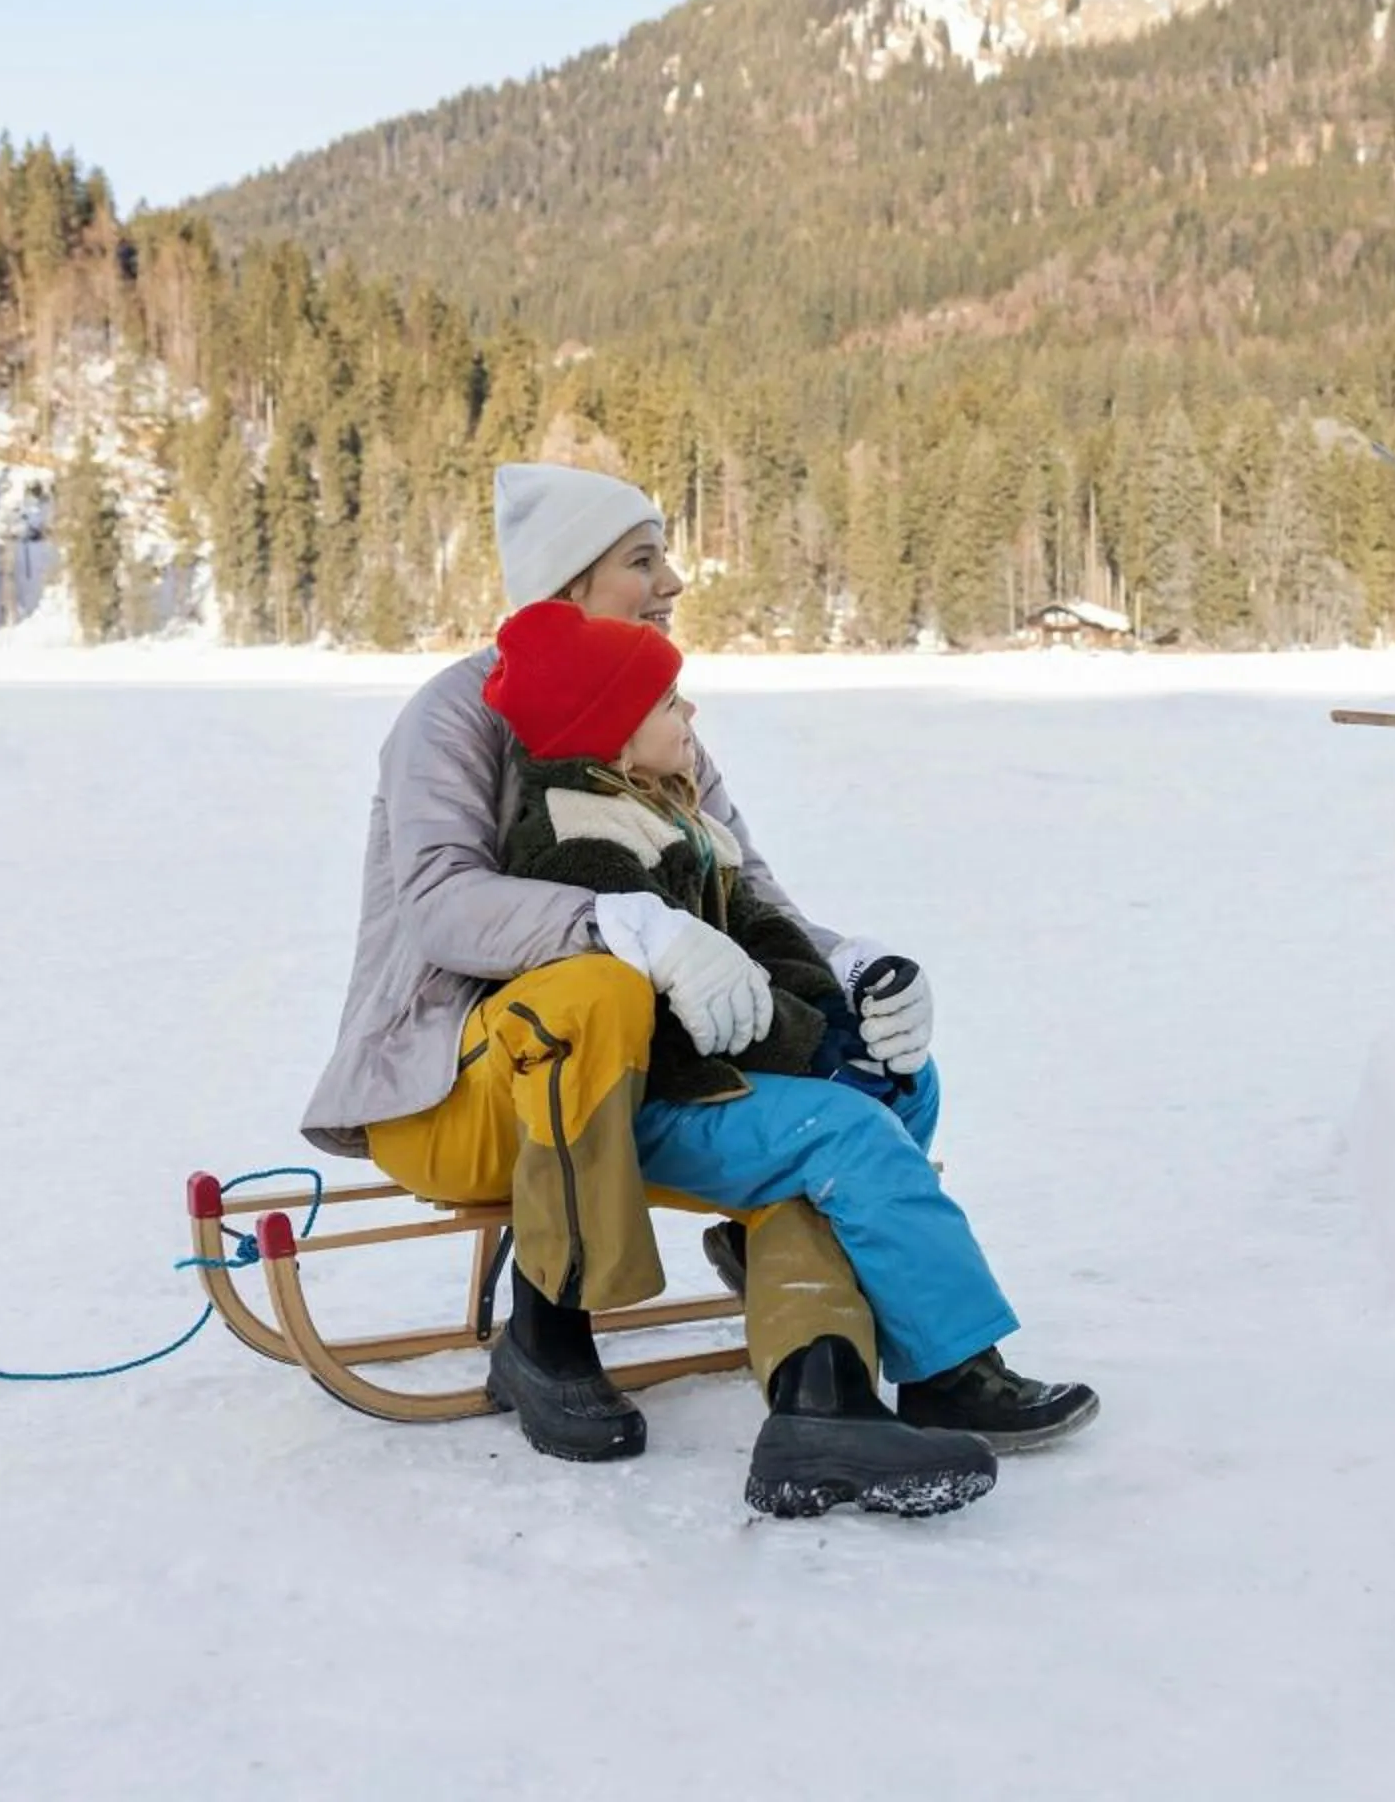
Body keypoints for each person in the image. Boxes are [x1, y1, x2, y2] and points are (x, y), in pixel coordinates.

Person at [300, 462, 1002, 1517]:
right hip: (452, 1081)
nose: (672, 578)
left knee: (869, 1070)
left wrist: (854, 967)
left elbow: (748, 892)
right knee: (598, 991)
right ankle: (546, 1325)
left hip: (638, 1080)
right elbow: (441, 902)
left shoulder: (656, 722)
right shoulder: (454, 714)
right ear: (564, 583)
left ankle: (827, 1385)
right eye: (642, 559)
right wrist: (627, 925)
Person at [480, 598, 1097, 1491]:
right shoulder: (579, 842)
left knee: (909, 1087)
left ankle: (797, 1243)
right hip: (662, 1098)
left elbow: (766, 939)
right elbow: (690, 1015)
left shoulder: (669, 815)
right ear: (609, 734)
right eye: (667, 704)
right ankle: (950, 1372)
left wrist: (847, 1006)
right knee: (850, 1133)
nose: (690, 716)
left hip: (727, 1077)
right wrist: (816, 1060)